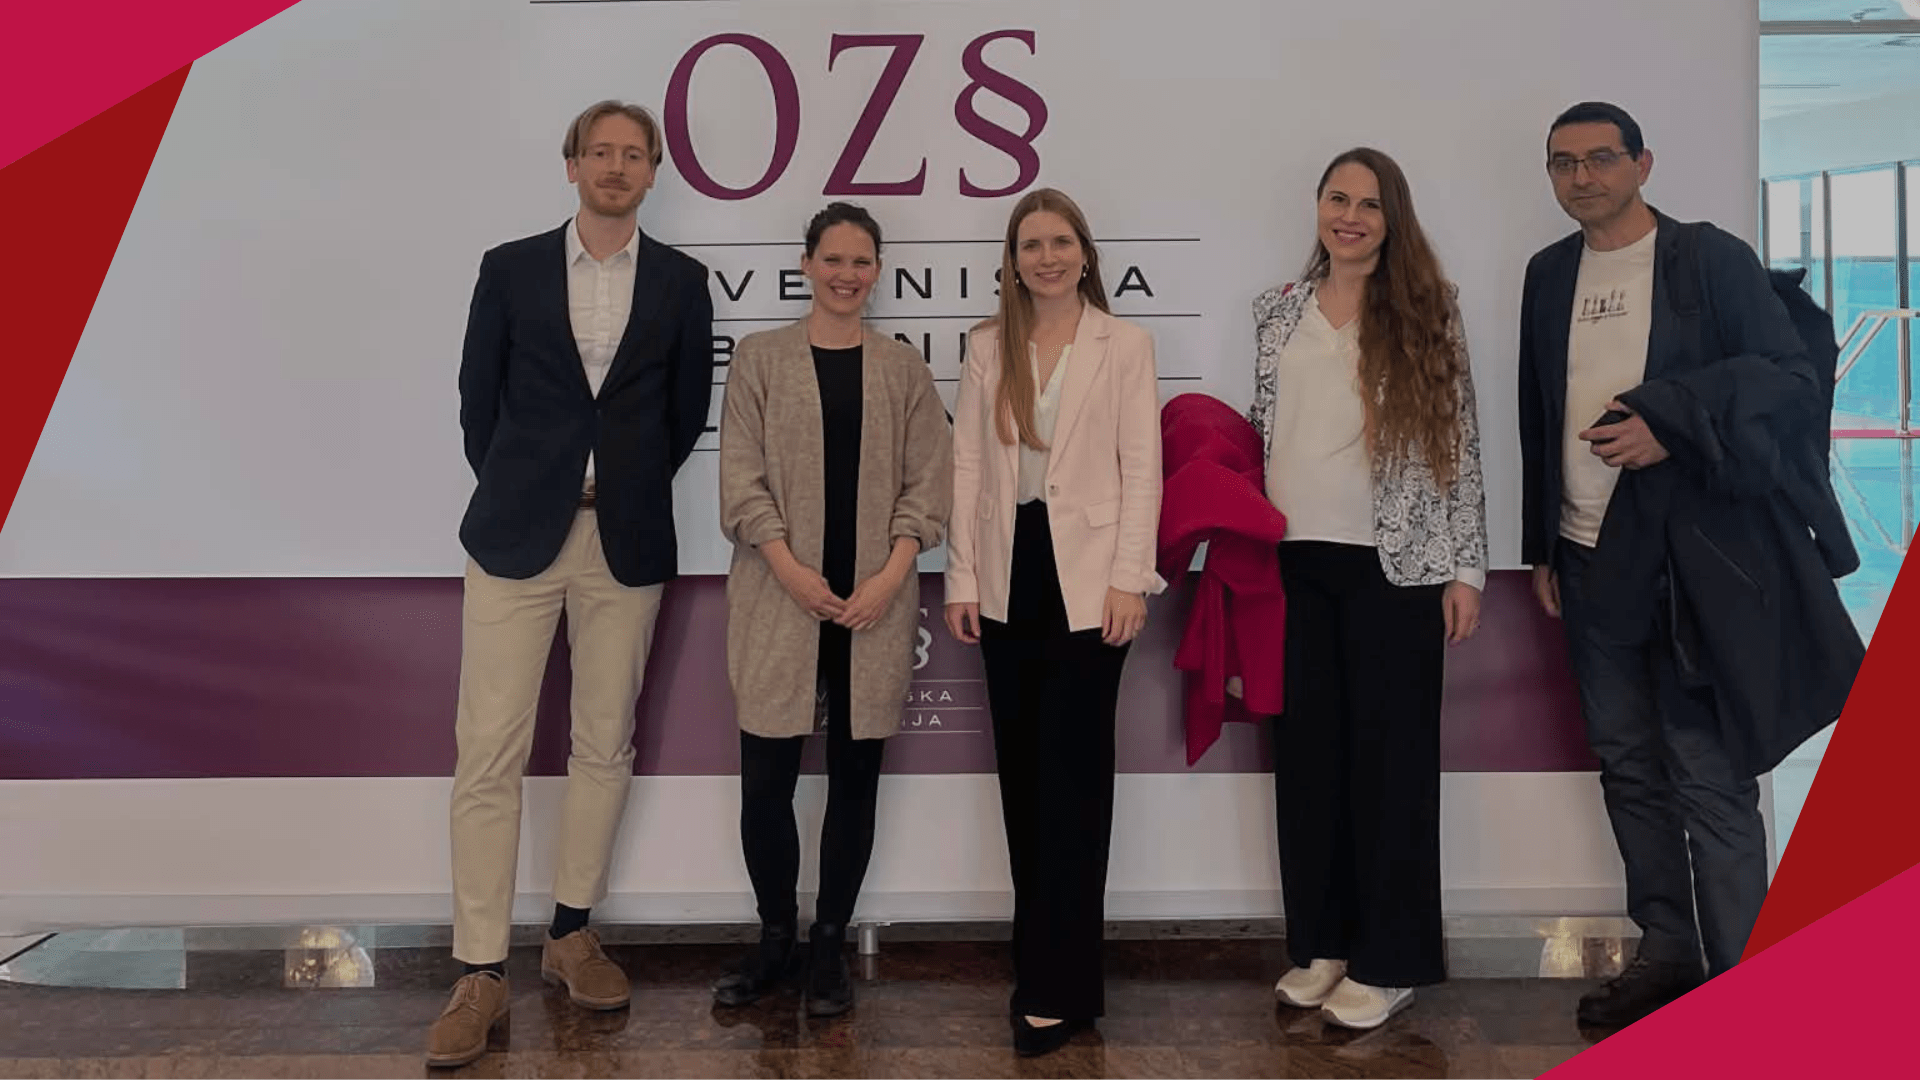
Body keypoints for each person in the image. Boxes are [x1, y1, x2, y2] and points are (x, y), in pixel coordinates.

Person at [1517, 101, 1862, 1028]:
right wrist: (1541, 545)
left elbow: (1789, 377)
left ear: (1643, 164)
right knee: (1628, 766)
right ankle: (1667, 954)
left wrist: (1672, 423)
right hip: (1587, 561)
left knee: (1709, 774)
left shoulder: (1708, 259)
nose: (1582, 177)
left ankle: (1747, 985)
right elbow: (1537, 412)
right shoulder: (1548, 273)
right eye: (1563, 163)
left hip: (1692, 567)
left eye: (1600, 158)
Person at [429, 100, 715, 1068]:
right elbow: (477, 404)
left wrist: (611, 489)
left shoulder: (681, 283)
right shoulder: (508, 268)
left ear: (653, 171)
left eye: (633, 154)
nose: (616, 167)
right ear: (572, 165)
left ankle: (570, 933)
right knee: (488, 752)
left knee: (604, 742)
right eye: (600, 152)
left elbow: (682, 418)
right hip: (515, 536)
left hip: (623, 540)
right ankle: (478, 971)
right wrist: (532, 485)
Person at [1248, 148, 1488, 1031]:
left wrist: (1467, 567)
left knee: (1392, 770)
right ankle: (1324, 944)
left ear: (1394, 220)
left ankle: (1390, 962)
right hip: (1294, 564)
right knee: (1308, 765)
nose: (1349, 216)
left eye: (1369, 205)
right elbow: (1263, 427)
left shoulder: (1428, 308)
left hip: (1400, 568)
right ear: (1318, 206)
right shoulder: (1276, 311)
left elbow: (1458, 439)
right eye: (1337, 198)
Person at [713, 202, 952, 1016]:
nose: (847, 274)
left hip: (873, 604)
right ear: (807, 264)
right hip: (777, 598)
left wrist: (891, 575)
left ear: (876, 271)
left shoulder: (903, 368)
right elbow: (739, 481)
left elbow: (929, 483)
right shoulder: (760, 359)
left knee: (855, 782)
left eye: (861, 261)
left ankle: (827, 946)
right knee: (764, 785)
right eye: (834, 259)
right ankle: (774, 938)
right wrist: (788, 567)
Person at [944, 188, 1163, 1058]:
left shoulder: (1125, 344)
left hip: (1090, 581)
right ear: (1012, 259)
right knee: (1023, 780)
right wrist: (962, 577)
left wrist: (1129, 578)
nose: (1047, 257)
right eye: (1031, 244)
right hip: (1008, 573)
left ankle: (1062, 985)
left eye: (1060, 242)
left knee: (1074, 783)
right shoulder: (986, 345)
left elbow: (1142, 468)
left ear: (1085, 253)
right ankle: (1038, 970)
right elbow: (967, 467)